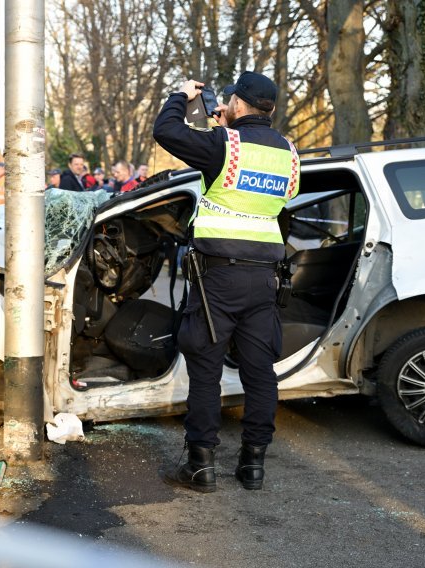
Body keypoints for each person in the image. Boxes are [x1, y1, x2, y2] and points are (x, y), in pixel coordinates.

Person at [153, 71, 300, 492]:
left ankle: (200, 466)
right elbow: (266, 196)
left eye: (229, 100)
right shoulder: (289, 154)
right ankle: (253, 465)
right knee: (260, 373)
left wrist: (180, 96)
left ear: (236, 103)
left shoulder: (223, 145)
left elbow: (167, 131)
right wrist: (227, 131)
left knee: (205, 369)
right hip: (264, 280)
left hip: (218, 278)